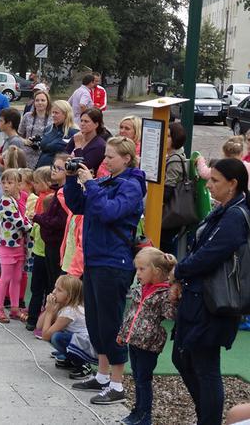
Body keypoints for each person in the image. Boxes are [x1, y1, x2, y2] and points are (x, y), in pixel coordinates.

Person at [64, 136, 146, 405]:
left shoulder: (132, 186)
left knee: (112, 324)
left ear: (126, 158)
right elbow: (78, 206)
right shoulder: (104, 182)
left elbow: (110, 212)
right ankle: (101, 375)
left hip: (115, 262)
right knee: (96, 322)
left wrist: (90, 184)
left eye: (111, 157)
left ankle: (117, 383)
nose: (106, 160)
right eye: (105, 156)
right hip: (95, 260)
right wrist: (71, 179)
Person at [170, 158, 250, 425]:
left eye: (215, 180)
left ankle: (209, 419)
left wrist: (179, 271)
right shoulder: (224, 210)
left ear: (233, 184)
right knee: (183, 357)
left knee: (205, 366)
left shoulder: (236, 215)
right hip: (199, 297)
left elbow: (210, 254)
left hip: (214, 302)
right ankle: (206, 415)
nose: (209, 184)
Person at [117, 247, 177, 425]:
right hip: (134, 341)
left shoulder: (163, 293)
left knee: (143, 379)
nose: (138, 273)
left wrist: (174, 290)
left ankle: (145, 416)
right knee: (137, 377)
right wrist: (122, 333)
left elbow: (171, 314)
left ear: (157, 272)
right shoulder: (140, 289)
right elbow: (130, 314)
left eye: (142, 269)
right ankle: (137, 411)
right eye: (137, 269)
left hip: (149, 344)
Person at [0, 169, 32, 323]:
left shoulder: (24, 197)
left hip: (19, 244)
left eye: (10, 182)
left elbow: (26, 213)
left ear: (19, 184)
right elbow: (17, 221)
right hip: (7, 244)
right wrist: (32, 225)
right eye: (3, 182)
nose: (5, 186)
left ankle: (14, 308)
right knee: (5, 277)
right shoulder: (5, 200)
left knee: (17, 278)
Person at [32, 153, 68, 293]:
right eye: (54, 166)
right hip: (50, 242)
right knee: (49, 281)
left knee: (54, 282)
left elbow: (59, 222)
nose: (54, 170)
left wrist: (38, 218)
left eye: (59, 168)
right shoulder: (57, 191)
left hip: (57, 242)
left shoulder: (63, 194)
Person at [25, 166, 53, 331]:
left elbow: (37, 225)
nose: (34, 185)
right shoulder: (46, 198)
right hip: (43, 249)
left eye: (37, 181)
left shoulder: (45, 199)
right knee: (43, 288)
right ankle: (38, 319)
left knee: (39, 288)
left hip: (41, 249)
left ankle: (34, 319)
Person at [36, 275, 87, 362]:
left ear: (69, 296)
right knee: (54, 333)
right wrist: (48, 308)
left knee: (56, 337)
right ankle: (68, 355)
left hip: (87, 347)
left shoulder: (70, 311)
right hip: (79, 342)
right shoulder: (61, 305)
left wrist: (49, 313)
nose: (54, 292)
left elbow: (45, 336)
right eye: (55, 287)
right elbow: (39, 326)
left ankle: (82, 363)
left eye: (59, 290)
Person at [161, 122, 188, 255]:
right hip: (168, 212)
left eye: (168, 136)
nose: (164, 139)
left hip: (169, 213)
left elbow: (168, 189)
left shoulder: (175, 160)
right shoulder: (169, 156)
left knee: (166, 248)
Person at [36, 100, 79, 168]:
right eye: (52, 112)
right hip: (41, 169)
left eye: (56, 113)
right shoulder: (48, 129)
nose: (53, 115)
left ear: (66, 114)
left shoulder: (74, 133)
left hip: (58, 171)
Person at [64, 108, 107, 175]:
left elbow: (84, 167)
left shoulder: (99, 145)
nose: (82, 124)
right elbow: (64, 155)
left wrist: (78, 147)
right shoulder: (77, 137)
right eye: (81, 121)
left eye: (86, 121)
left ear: (96, 124)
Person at [19, 89, 52, 169]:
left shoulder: (52, 118)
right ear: (34, 102)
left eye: (43, 100)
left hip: (44, 156)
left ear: (48, 102)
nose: (40, 103)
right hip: (27, 155)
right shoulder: (27, 116)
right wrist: (25, 141)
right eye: (37, 100)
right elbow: (18, 134)